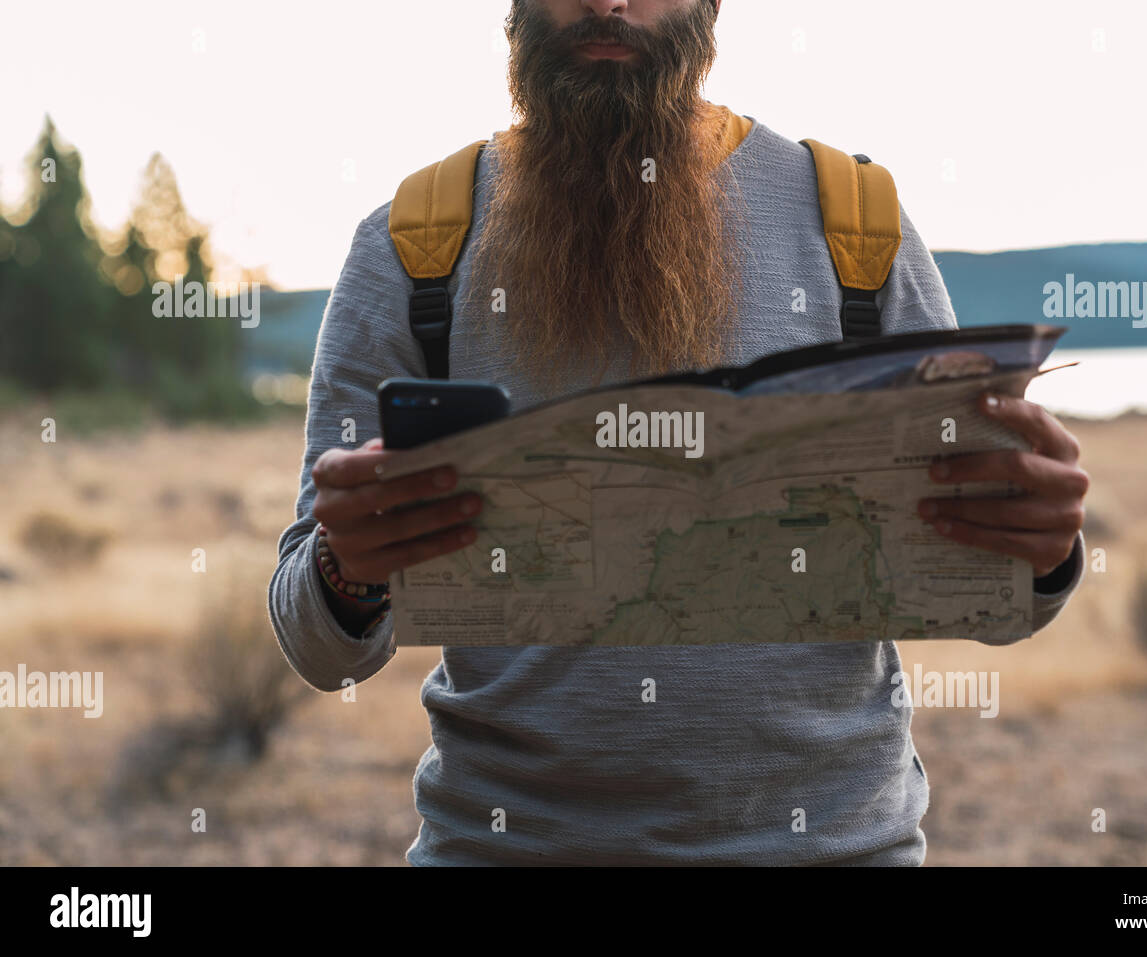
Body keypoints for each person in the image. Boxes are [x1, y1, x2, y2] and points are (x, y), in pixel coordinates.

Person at [269, 0, 1088, 865]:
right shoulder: (413, 244)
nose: (611, 2)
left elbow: (992, 597)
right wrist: (345, 567)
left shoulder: (856, 223)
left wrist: (1040, 555)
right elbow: (317, 644)